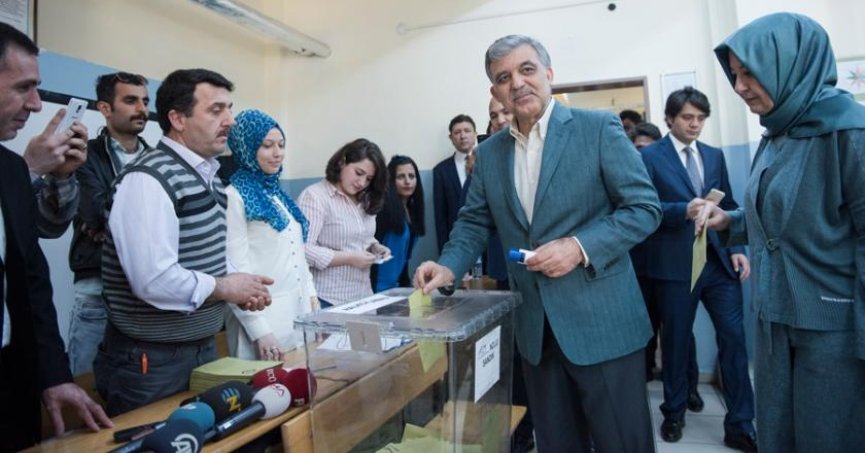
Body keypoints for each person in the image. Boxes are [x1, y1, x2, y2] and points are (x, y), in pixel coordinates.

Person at [415, 35, 660, 452]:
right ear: (495, 92)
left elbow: (644, 208)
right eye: (504, 77)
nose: (518, 83)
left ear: (548, 74)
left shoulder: (597, 128)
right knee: (559, 443)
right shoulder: (490, 154)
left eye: (527, 70)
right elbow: (474, 221)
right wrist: (449, 266)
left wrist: (579, 247)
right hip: (537, 332)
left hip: (603, 324)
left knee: (623, 442)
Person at [699, 13, 865, 452]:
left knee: (828, 438)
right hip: (775, 321)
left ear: (791, 63)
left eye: (750, 72)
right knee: (778, 436)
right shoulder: (778, 132)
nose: (738, 87)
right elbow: (781, 215)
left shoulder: (851, 133)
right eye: (733, 75)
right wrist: (730, 222)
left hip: (834, 331)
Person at [94, 68, 273, 416]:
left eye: (230, 108)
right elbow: (153, 280)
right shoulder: (147, 179)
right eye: (216, 110)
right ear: (177, 118)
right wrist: (224, 288)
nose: (230, 121)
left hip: (199, 347)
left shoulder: (210, 177)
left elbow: (211, 255)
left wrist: (243, 285)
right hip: (151, 361)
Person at [0, 22, 111, 451]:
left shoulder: (11, 168)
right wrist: (31, 170)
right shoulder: (19, 168)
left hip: (12, 379)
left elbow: (30, 280)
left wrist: (53, 375)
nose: (35, 103)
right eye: (23, 88)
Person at [641, 87, 756, 451]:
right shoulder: (650, 158)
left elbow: (731, 204)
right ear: (670, 118)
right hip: (675, 266)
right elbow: (643, 209)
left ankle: (740, 423)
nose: (695, 125)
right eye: (688, 118)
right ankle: (674, 412)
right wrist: (681, 211)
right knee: (675, 343)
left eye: (701, 119)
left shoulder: (714, 156)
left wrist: (736, 247)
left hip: (719, 265)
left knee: (735, 341)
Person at [66, 71, 151, 376]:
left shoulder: (157, 160)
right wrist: (140, 224)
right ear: (105, 108)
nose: (142, 109)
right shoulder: (83, 155)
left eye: (144, 100)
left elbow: (170, 220)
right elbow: (94, 212)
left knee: (133, 387)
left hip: (142, 295)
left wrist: (115, 226)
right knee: (84, 387)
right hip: (95, 289)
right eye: (130, 100)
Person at [224, 109, 317, 360]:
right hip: (261, 321)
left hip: (298, 315)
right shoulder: (233, 196)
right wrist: (259, 331)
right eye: (267, 146)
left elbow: (297, 253)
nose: (277, 153)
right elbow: (234, 269)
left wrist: (311, 294)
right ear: (245, 146)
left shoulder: (278, 196)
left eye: (281, 145)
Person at [298, 138, 389, 307]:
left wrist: (375, 247)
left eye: (369, 179)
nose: (362, 183)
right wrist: (348, 258)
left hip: (363, 296)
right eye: (358, 173)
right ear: (342, 162)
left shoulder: (365, 199)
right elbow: (302, 249)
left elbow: (360, 237)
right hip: (327, 297)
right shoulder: (315, 197)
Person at [371, 155, 425, 292]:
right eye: (401, 177)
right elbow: (372, 251)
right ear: (391, 181)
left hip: (397, 288)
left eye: (412, 176)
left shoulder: (412, 209)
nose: (408, 181)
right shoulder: (383, 210)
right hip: (377, 288)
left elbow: (404, 257)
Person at [433, 114, 477, 253]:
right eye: (457, 132)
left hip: (488, 240)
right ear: (451, 138)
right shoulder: (441, 171)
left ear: (475, 134)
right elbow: (440, 217)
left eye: (467, 131)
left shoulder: (488, 163)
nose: (462, 136)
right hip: (457, 242)